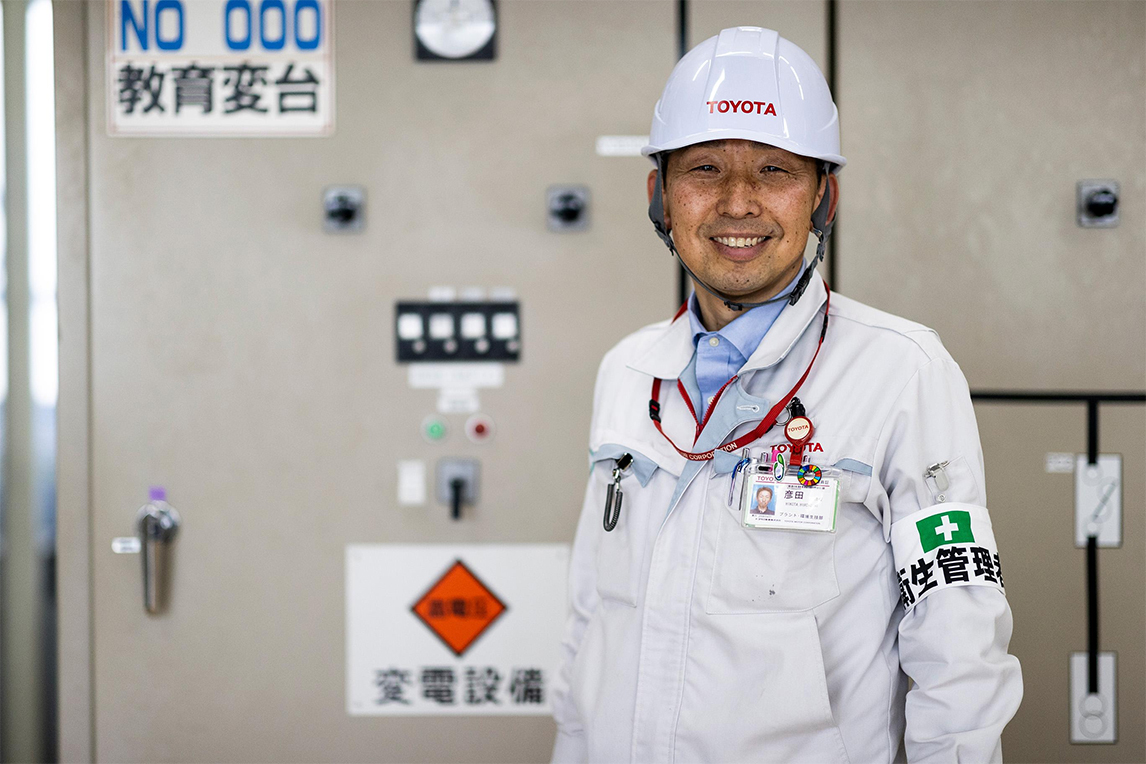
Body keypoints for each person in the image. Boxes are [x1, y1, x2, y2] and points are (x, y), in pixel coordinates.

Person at [551, 26, 1022, 763]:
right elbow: (590, 618)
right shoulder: (628, 371)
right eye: (705, 168)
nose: (738, 203)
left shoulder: (902, 371)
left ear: (822, 198)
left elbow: (958, 640)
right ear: (660, 197)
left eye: (775, 170)